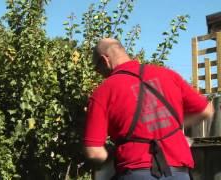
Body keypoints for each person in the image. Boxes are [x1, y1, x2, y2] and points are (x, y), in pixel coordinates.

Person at [83, 38, 214, 180]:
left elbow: (94, 152)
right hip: (179, 172)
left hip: (135, 172)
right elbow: (206, 110)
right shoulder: (168, 75)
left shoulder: (103, 92)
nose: (99, 73)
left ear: (104, 60)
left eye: (97, 68)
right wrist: (173, 128)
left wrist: (109, 156)